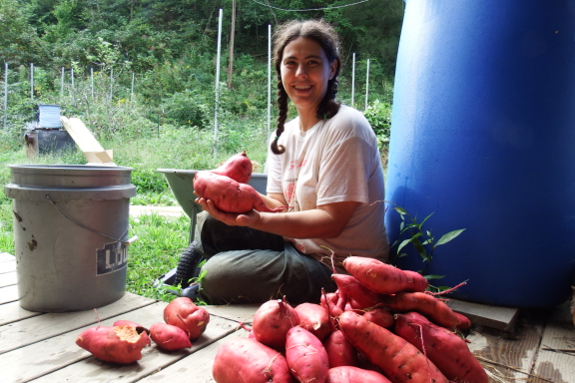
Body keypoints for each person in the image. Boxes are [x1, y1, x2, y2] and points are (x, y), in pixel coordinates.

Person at [190, 19, 388, 305]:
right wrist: (233, 194)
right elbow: (279, 206)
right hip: (298, 244)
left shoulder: (347, 128)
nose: (300, 74)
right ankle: (198, 265)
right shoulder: (284, 134)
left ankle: (204, 274)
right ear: (279, 68)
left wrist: (256, 220)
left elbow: (331, 223)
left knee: (215, 275)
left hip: (338, 267)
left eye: (312, 63)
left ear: (331, 68)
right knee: (213, 224)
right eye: (291, 63)